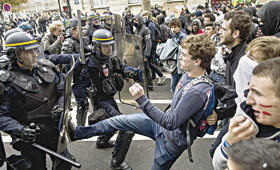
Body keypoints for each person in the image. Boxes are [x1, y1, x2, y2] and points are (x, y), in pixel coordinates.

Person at [66, 34, 217, 170]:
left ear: (197, 61)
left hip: (171, 143)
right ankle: (77, 133)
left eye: (183, 55)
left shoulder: (197, 91)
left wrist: (141, 99)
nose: (179, 57)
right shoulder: (190, 72)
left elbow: (171, 122)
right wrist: (216, 113)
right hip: (159, 126)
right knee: (118, 121)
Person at [0, 32, 75, 170]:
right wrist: (20, 130)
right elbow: (2, 116)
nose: (35, 54)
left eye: (35, 49)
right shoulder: (6, 81)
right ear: (15, 54)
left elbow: (63, 93)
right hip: (30, 138)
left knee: (64, 164)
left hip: (55, 131)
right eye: (29, 51)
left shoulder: (47, 68)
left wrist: (60, 107)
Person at [70, 29, 143, 170]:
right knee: (126, 128)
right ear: (97, 46)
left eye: (111, 45)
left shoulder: (110, 58)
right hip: (101, 102)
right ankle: (117, 162)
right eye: (106, 46)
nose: (110, 48)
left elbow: (121, 69)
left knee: (112, 122)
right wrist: (79, 65)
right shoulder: (89, 62)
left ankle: (102, 141)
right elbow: (76, 84)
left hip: (110, 99)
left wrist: (135, 73)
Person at [213, 57, 280, 170]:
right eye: (249, 90)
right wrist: (229, 144)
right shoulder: (248, 118)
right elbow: (219, 166)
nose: (248, 101)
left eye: (258, 93)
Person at [209, 10, 252, 157]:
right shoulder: (233, 55)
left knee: (216, 153)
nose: (219, 32)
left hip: (240, 118)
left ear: (236, 34)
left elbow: (243, 101)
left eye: (224, 29)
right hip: (232, 115)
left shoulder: (243, 61)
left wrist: (219, 114)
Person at [61, 20, 91, 127]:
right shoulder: (68, 43)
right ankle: (80, 128)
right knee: (82, 104)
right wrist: (78, 61)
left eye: (83, 28)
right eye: (80, 29)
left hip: (88, 76)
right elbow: (67, 63)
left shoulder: (85, 40)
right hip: (77, 79)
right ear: (73, 30)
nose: (83, 31)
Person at [141, 11, 166, 86]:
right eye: (143, 16)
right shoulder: (148, 24)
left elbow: (151, 38)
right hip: (151, 46)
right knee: (150, 63)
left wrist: (149, 48)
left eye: (145, 16)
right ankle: (154, 77)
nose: (144, 18)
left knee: (150, 63)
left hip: (151, 47)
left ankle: (160, 75)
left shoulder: (151, 24)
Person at [132, 14, 153, 91]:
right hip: (138, 53)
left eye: (136, 21)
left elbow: (148, 43)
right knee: (140, 69)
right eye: (134, 21)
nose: (135, 22)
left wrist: (146, 55)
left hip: (143, 53)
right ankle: (143, 84)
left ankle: (149, 85)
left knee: (146, 70)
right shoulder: (136, 30)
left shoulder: (145, 29)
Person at [168, 18, 187, 93]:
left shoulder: (183, 37)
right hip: (175, 64)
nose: (173, 29)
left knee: (174, 86)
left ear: (179, 27)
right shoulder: (173, 36)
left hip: (179, 64)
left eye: (175, 27)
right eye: (172, 27)